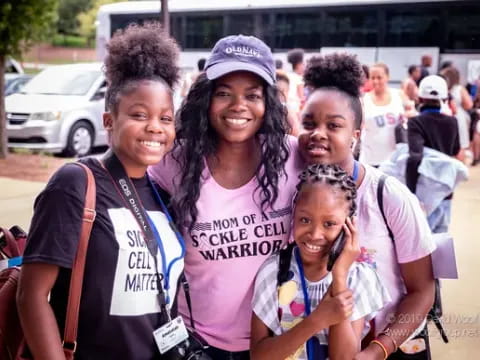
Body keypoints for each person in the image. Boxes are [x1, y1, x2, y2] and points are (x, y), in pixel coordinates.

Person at [17, 22, 184, 359]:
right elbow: (31, 295)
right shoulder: (76, 183)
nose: (155, 126)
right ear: (109, 120)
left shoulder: (162, 195)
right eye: (139, 114)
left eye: (166, 118)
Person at [148, 34, 303, 359]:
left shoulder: (292, 157)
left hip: (275, 341)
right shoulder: (174, 161)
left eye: (252, 95)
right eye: (224, 93)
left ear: (269, 103)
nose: (238, 106)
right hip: (194, 342)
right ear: (206, 98)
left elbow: (348, 176)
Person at [299, 53, 436, 359]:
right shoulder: (294, 192)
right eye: (309, 123)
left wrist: (378, 350)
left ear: (355, 136)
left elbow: (422, 290)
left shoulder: (389, 196)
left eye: (334, 125)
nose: (318, 133)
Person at [251, 164, 390, 360]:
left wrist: (339, 276)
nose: (315, 234)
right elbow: (258, 356)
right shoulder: (274, 271)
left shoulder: (358, 277)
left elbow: (344, 358)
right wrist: (317, 320)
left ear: (350, 225)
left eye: (329, 224)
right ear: (294, 214)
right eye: (305, 220)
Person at [406, 75, 461, 233]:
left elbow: (415, 157)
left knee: (422, 242)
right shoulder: (453, 122)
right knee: (441, 237)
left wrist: (410, 192)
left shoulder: (415, 122)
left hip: (424, 192)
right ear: (444, 98)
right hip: (445, 189)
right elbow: (455, 150)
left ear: (420, 97)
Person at [359, 63, 408, 166]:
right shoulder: (364, 99)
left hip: (395, 160)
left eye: (379, 77)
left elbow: (412, 112)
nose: (376, 81)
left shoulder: (399, 94)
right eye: (372, 78)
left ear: (387, 77)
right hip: (370, 160)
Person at [440, 66, 474, 156]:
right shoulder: (459, 88)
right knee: (461, 144)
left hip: (443, 115)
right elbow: (469, 105)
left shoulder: (442, 88)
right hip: (459, 117)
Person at [277, 71, 301, 136]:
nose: (281, 95)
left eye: (284, 91)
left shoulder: (288, 109)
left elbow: (295, 132)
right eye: (278, 92)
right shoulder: (287, 109)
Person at [287, 48, 306, 115]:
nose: (304, 67)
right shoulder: (299, 79)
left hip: (287, 107)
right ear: (298, 65)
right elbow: (301, 98)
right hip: (295, 109)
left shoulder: (287, 75)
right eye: (303, 64)